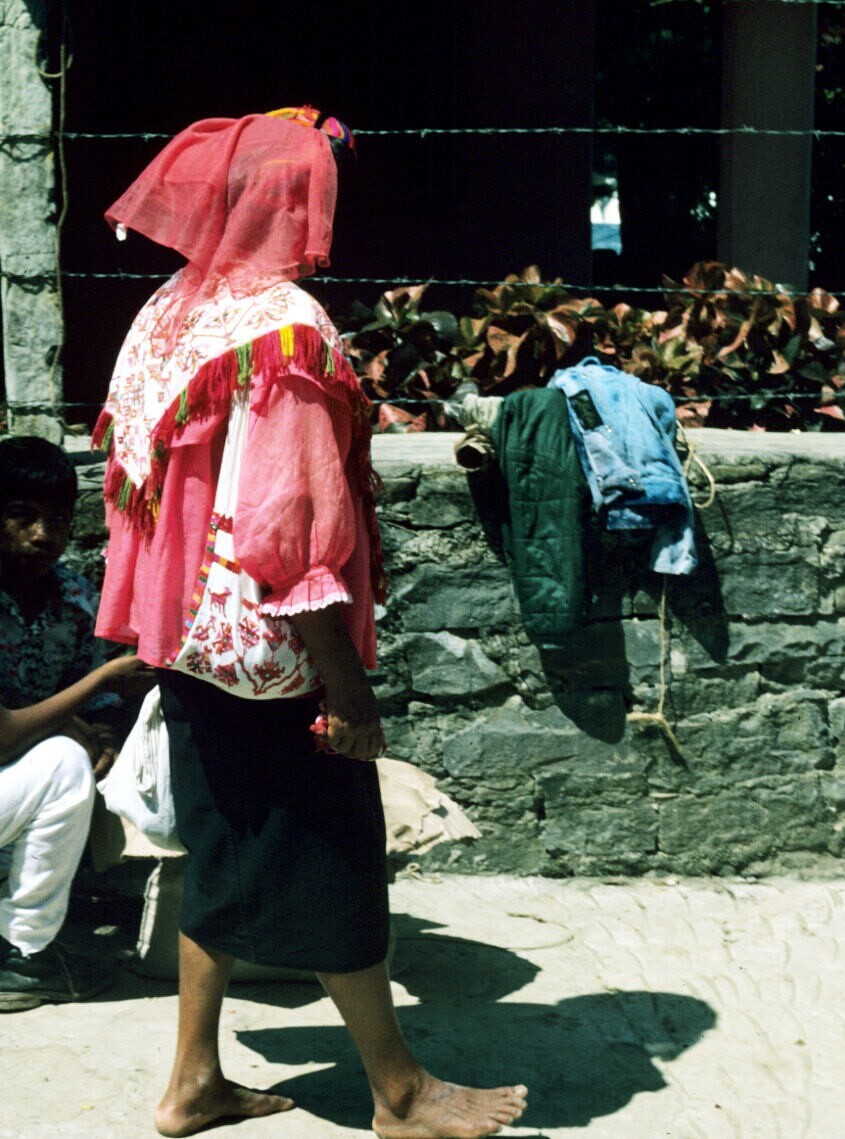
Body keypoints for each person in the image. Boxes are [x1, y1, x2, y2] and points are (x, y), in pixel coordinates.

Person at [94, 107, 526, 1138]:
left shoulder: (171, 309)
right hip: (273, 654)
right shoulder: (286, 328)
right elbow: (289, 529)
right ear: (295, 204)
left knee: (218, 845)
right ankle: (400, 1091)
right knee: (334, 855)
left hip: (187, 638)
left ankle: (193, 1079)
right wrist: (347, 684)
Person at [1, 435, 155, 1010]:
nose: (43, 534)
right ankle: (25, 953)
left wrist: (104, 738)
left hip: (15, 792)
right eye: (22, 516)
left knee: (76, 760)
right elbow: (4, 736)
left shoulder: (75, 598)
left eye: (59, 520)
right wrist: (100, 684)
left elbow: (100, 709)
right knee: (64, 760)